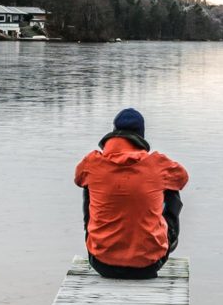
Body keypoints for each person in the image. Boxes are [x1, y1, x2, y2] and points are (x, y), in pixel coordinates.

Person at [74, 108, 188, 279]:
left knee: (88, 184)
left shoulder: (92, 162)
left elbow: (78, 178)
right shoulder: (158, 164)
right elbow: (182, 179)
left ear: (114, 132)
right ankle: (165, 241)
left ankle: (97, 239)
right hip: (149, 265)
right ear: (141, 135)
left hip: (101, 262)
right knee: (171, 187)